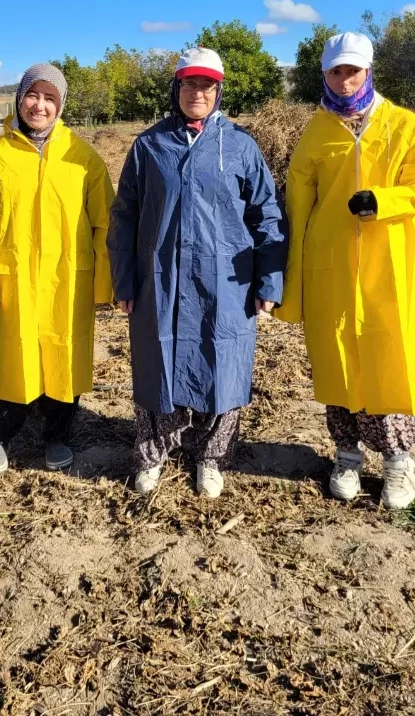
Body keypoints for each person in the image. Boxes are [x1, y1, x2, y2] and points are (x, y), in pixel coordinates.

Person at [275, 32, 415, 509]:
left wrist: (386, 202)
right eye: (336, 71)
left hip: (387, 265)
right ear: (325, 75)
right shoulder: (316, 131)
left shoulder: (404, 126)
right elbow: (297, 204)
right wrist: (293, 273)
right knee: (336, 361)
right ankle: (347, 455)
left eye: (353, 70)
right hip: (329, 266)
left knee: (388, 359)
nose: (345, 79)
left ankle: (398, 462)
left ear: (368, 70)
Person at [107, 47, 287, 499]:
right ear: (176, 88)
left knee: (222, 364)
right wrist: (125, 281)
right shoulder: (150, 145)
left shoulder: (240, 146)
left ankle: (210, 457)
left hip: (225, 281)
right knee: (156, 363)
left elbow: (266, 216)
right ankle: (152, 454)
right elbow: (124, 216)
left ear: (219, 90)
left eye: (206, 85)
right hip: (161, 278)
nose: (197, 93)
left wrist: (269, 281)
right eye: (189, 84)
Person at [0, 63, 115, 474]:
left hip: (68, 281)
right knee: (11, 359)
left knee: (63, 358)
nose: (40, 105)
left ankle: (57, 435)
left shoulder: (81, 156)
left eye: (50, 98)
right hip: (11, 280)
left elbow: (106, 221)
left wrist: (102, 285)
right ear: (19, 98)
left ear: (61, 104)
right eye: (33, 95)